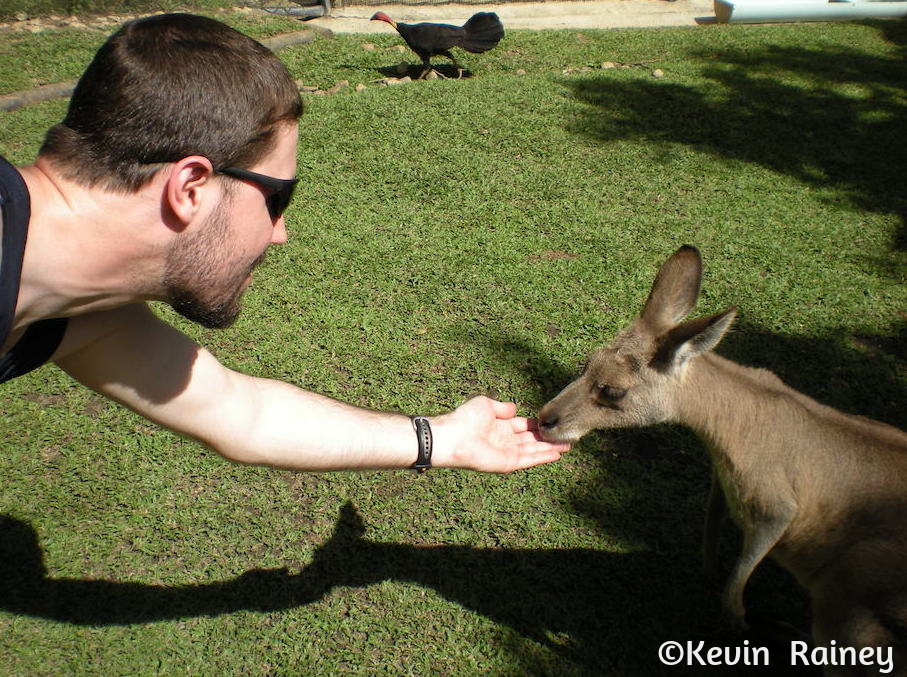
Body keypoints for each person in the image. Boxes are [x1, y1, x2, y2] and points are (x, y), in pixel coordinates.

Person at [0, 13, 570, 475]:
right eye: (277, 199)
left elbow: (241, 413)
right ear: (191, 188)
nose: (280, 232)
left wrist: (438, 438)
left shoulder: (78, 311)